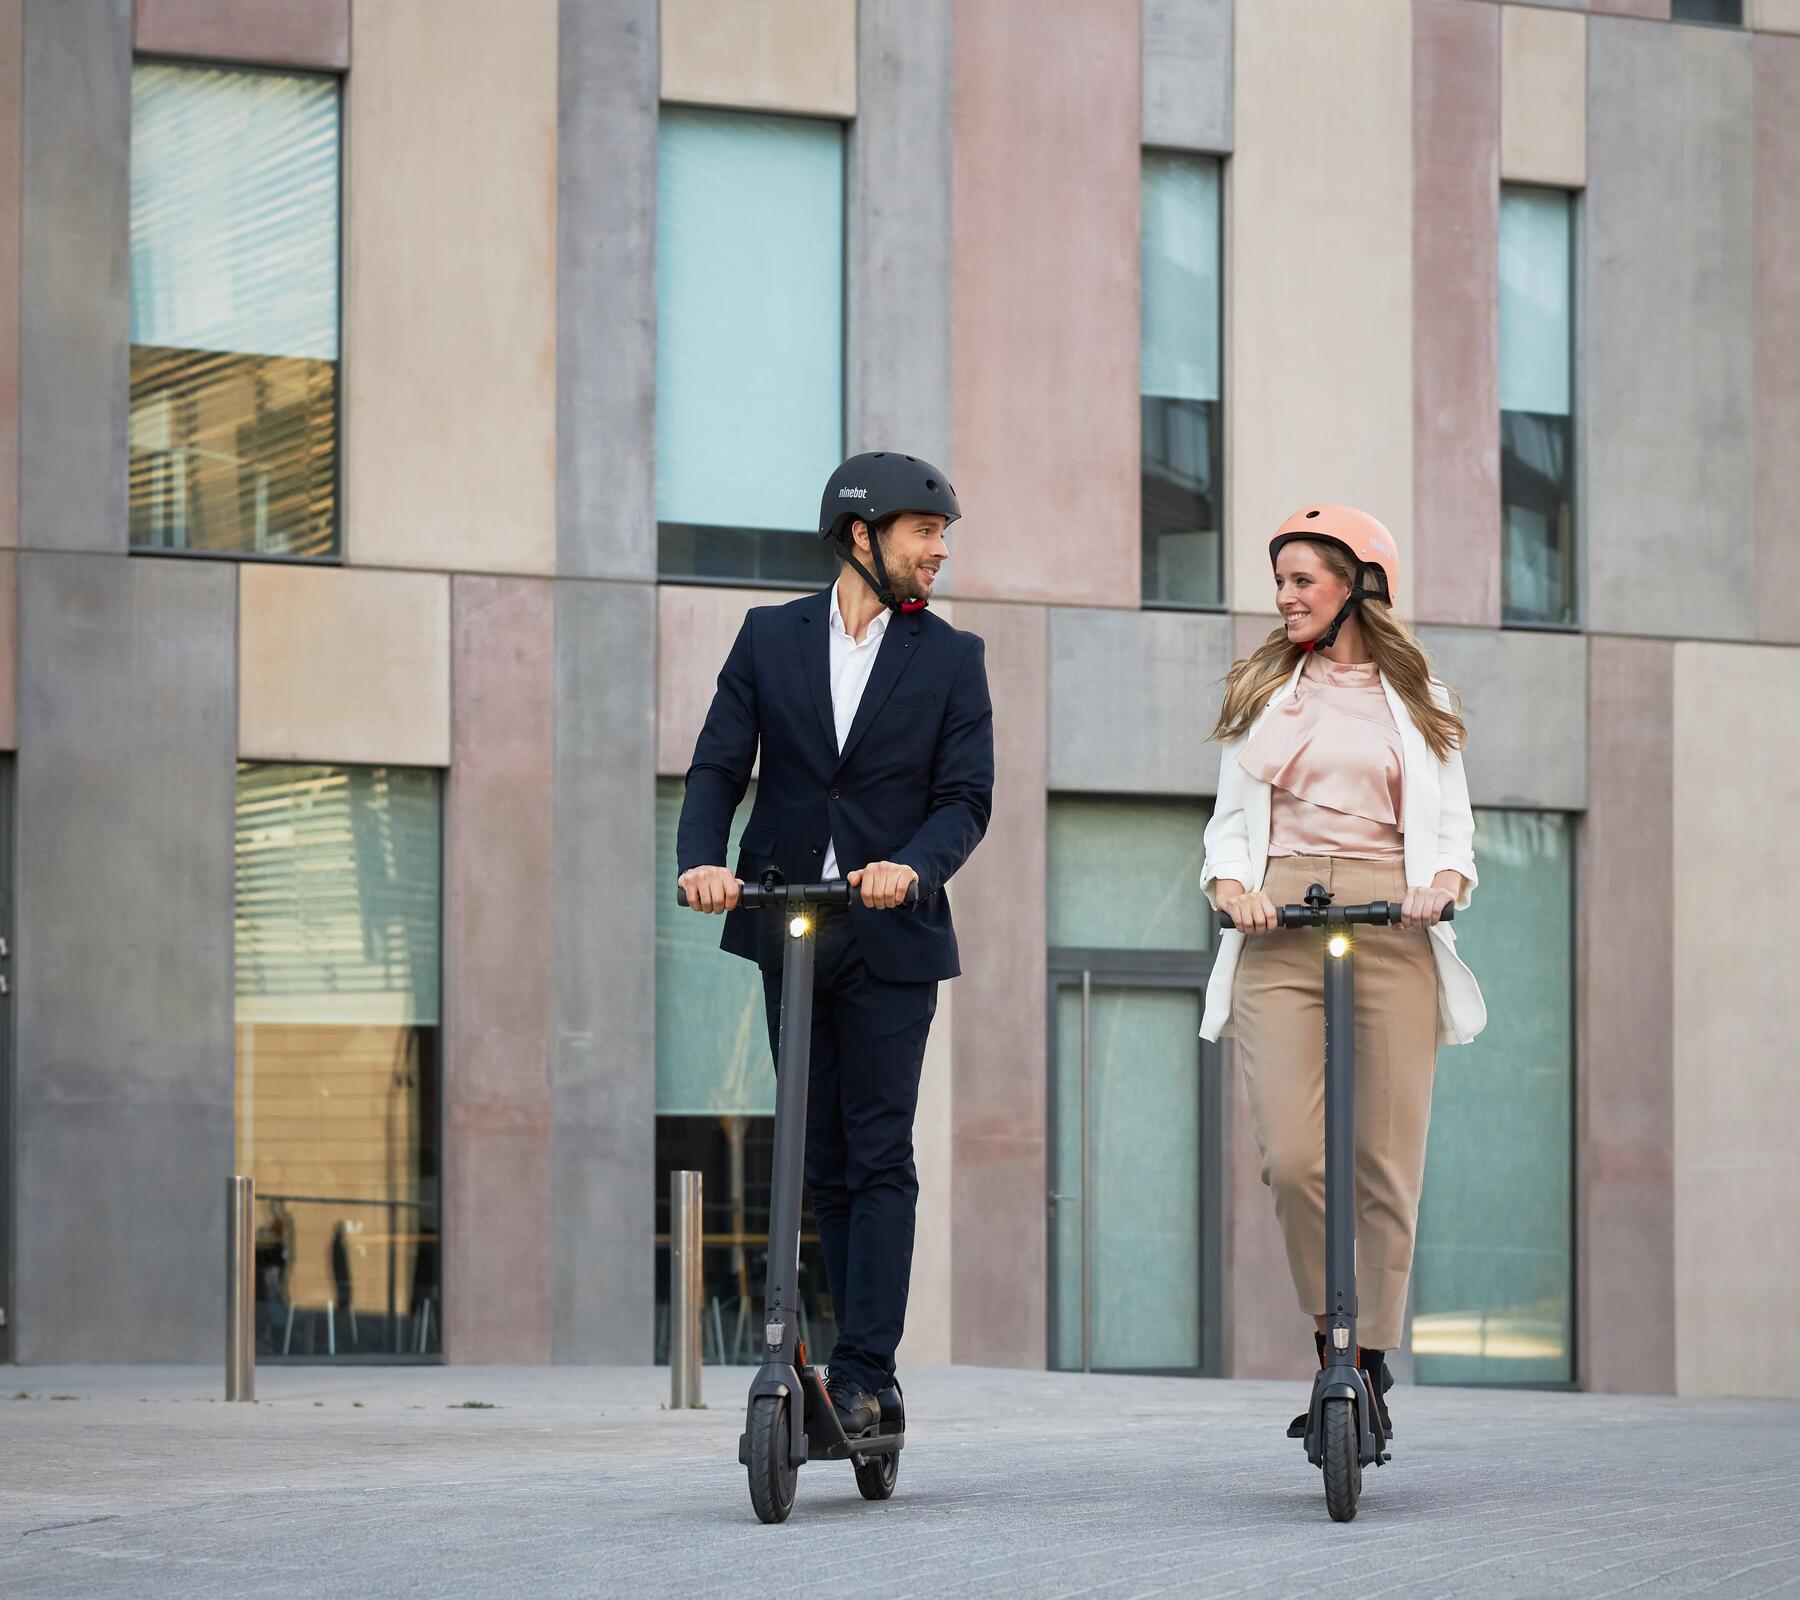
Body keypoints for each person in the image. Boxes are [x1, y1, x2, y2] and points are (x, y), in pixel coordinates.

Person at [676, 451, 994, 1438]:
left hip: (891, 932)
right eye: (924, 532)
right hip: (790, 918)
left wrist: (914, 864)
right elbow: (719, 765)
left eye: (942, 535)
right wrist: (702, 860)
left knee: (877, 1149)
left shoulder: (950, 656)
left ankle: (867, 1373)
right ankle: (804, 1351)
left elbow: (964, 800)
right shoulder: (770, 639)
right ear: (863, 535)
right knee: (813, 1155)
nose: (939, 551)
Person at [1199, 504, 1487, 1445]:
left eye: (1301, 580)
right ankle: (1334, 1334)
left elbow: (1452, 831)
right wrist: (1233, 885)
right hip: (1280, 918)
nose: (1283, 598)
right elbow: (1227, 826)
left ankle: (1366, 1357)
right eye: (1279, 582)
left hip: (1394, 921)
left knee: (1384, 1161)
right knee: (1293, 1156)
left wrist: (1442, 883)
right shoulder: (1262, 691)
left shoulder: (1423, 700)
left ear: (1361, 584)